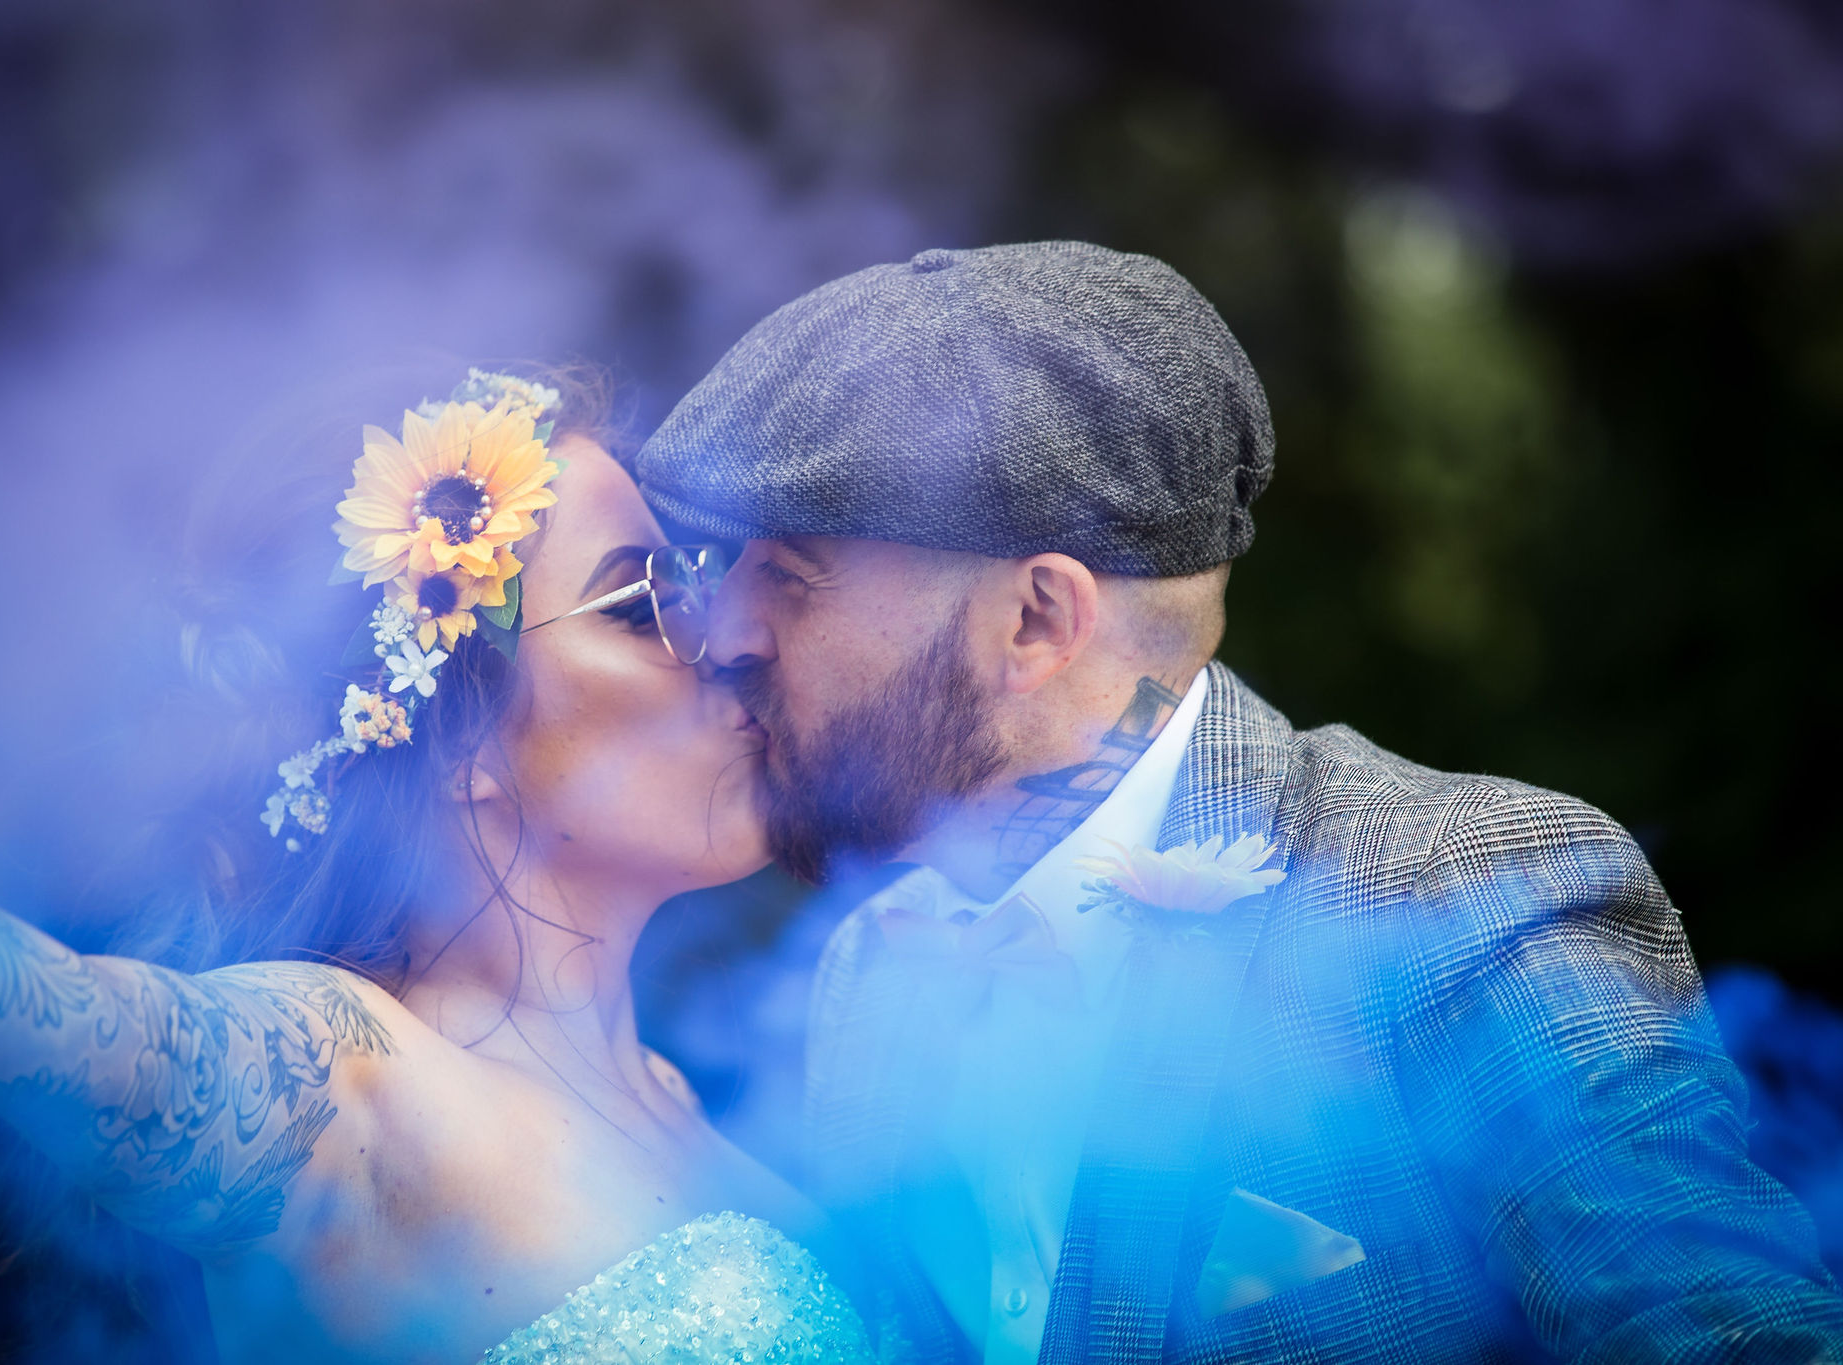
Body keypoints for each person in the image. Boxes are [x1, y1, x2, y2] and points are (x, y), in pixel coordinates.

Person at [632, 241, 1843, 1363]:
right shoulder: (864, 968)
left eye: (786, 577)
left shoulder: (1470, 900)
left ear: (1036, 622)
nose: (721, 631)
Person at [0, 370, 876, 1363]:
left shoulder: (683, 1097)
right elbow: (65, 1016)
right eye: (641, 606)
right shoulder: (347, 1080)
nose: (728, 641)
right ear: (459, 746)